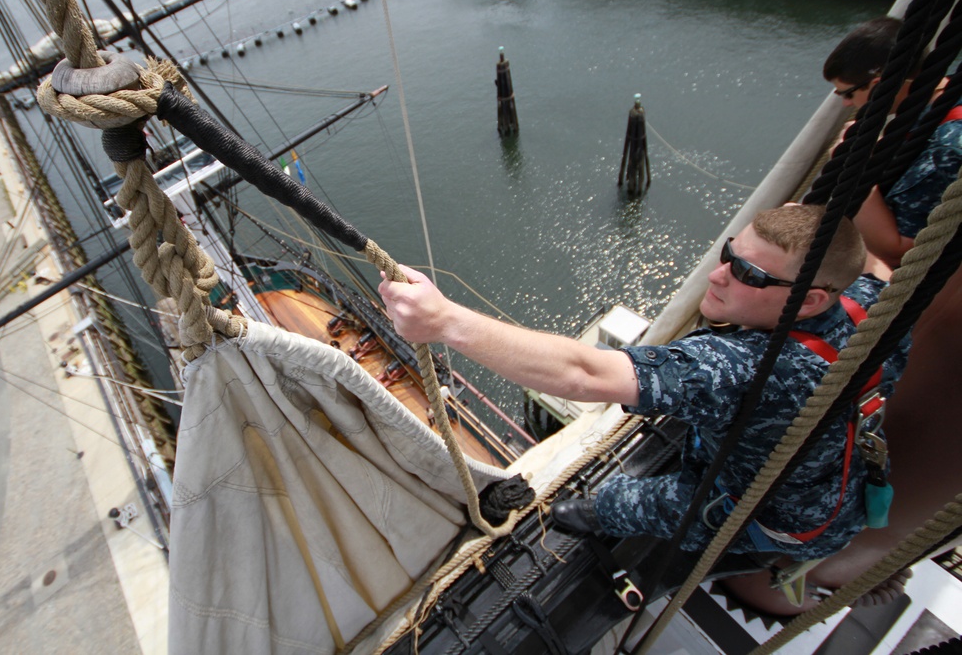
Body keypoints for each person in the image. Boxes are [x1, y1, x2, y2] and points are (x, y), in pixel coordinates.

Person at [379, 204, 907, 560]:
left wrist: (445, 322)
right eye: (729, 253)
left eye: (750, 275)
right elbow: (873, 261)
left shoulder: (743, 368)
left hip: (777, 521)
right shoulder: (872, 302)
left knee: (613, 500)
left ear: (812, 299)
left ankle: (598, 517)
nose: (719, 274)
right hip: (840, 490)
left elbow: (583, 373)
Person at [823, 16, 962, 273]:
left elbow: (897, 251)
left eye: (848, 93)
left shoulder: (946, 147)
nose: (846, 104)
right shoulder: (946, 94)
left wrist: (852, 166)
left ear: (880, 86)